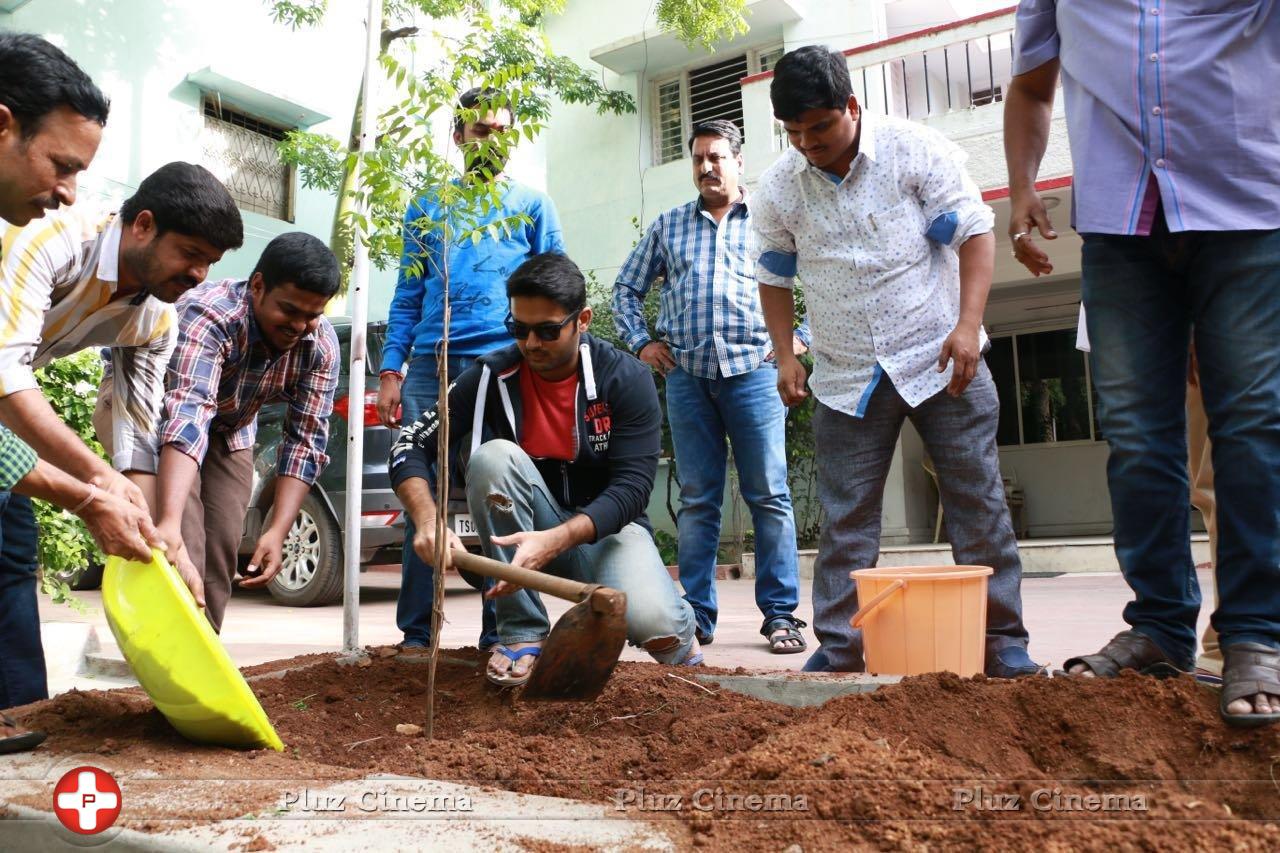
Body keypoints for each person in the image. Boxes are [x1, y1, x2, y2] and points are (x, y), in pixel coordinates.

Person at [1005, 1, 1279, 726]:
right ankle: (1159, 626)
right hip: (1121, 221)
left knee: (1250, 422)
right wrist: (1024, 184)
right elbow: (1033, 85)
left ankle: (1256, 632)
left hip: (1250, 208)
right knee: (1134, 432)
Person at [753, 45, 1037, 678]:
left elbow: (974, 231)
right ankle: (840, 646)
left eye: (820, 127)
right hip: (846, 374)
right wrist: (783, 357)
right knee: (846, 516)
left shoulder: (914, 150)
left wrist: (968, 326)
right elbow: (773, 275)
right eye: (795, 133)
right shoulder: (779, 187)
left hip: (941, 359)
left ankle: (1002, 642)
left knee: (977, 503)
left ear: (852, 107)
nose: (808, 143)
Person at [0, 161, 240, 739]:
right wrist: (94, 488)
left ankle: (20, 720)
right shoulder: (50, 240)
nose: (199, 273)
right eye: (190, 253)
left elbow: (135, 432)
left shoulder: (156, 319)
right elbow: (7, 380)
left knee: (11, 550)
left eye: (211, 262)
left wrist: (161, 533)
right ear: (143, 226)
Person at [390, 252, 699, 686]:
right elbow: (409, 445)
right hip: (523, 536)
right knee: (493, 456)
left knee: (654, 622)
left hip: (606, 532)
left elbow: (633, 488)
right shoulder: (489, 377)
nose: (531, 343)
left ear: (583, 320)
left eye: (548, 331)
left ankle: (679, 623)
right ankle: (520, 633)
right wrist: (427, 520)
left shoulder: (625, 378)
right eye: (519, 328)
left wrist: (556, 540)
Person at [377, 86, 565, 655]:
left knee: (492, 500)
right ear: (458, 136)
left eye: (503, 130)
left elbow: (557, 284)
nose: (493, 141)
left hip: (500, 364)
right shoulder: (426, 205)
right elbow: (408, 294)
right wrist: (391, 368)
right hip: (430, 366)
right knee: (420, 500)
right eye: (481, 130)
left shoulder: (532, 205)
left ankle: (498, 633)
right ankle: (416, 634)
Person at [613, 118, 808, 653]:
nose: (706, 167)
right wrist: (641, 343)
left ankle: (781, 616)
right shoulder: (669, 226)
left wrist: (798, 343)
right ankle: (696, 614)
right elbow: (625, 289)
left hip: (755, 374)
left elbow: (815, 278)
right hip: (688, 379)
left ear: (738, 161)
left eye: (716, 157)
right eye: (698, 158)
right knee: (698, 500)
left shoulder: (768, 219)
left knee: (769, 494)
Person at [153, 232, 341, 632]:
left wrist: (277, 530)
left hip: (232, 428)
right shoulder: (209, 314)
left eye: (313, 314)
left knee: (221, 550)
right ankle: (169, 666)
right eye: (289, 311)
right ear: (257, 286)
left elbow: (305, 441)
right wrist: (168, 522)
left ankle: (203, 667)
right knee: (182, 539)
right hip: (155, 416)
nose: (300, 326)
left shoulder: (319, 344)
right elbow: (189, 413)